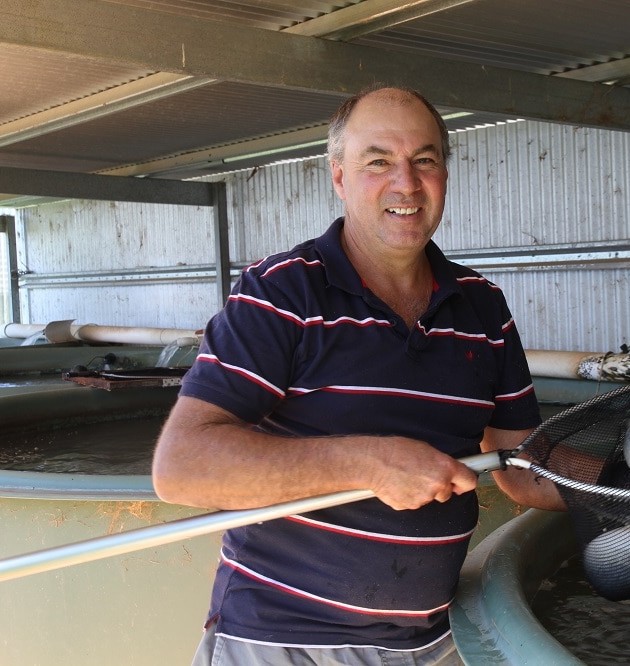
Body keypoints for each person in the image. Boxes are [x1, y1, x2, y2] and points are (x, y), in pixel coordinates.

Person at [152, 85, 565, 666]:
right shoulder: (280, 293)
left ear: (444, 174)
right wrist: (369, 463)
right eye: (378, 162)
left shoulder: (483, 307)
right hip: (281, 645)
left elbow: (525, 470)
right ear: (339, 175)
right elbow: (183, 468)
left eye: (425, 160)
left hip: (434, 645)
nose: (406, 182)